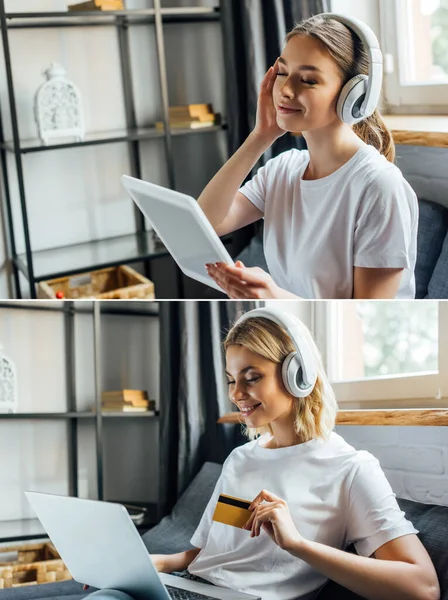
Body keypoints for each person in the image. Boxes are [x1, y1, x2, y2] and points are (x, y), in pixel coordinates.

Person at [150, 309, 439, 600]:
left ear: (298, 375)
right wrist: (158, 562)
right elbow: (207, 554)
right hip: (188, 588)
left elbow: (423, 588)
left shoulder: (350, 469)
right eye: (230, 380)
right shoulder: (240, 459)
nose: (236, 394)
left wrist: (297, 544)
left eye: (251, 378)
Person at [200, 13, 418, 300]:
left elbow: (372, 309)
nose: (286, 90)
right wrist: (259, 137)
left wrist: (273, 296)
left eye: (308, 80)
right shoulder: (282, 170)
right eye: (281, 73)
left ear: (355, 95)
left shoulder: (378, 186)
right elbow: (207, 223)